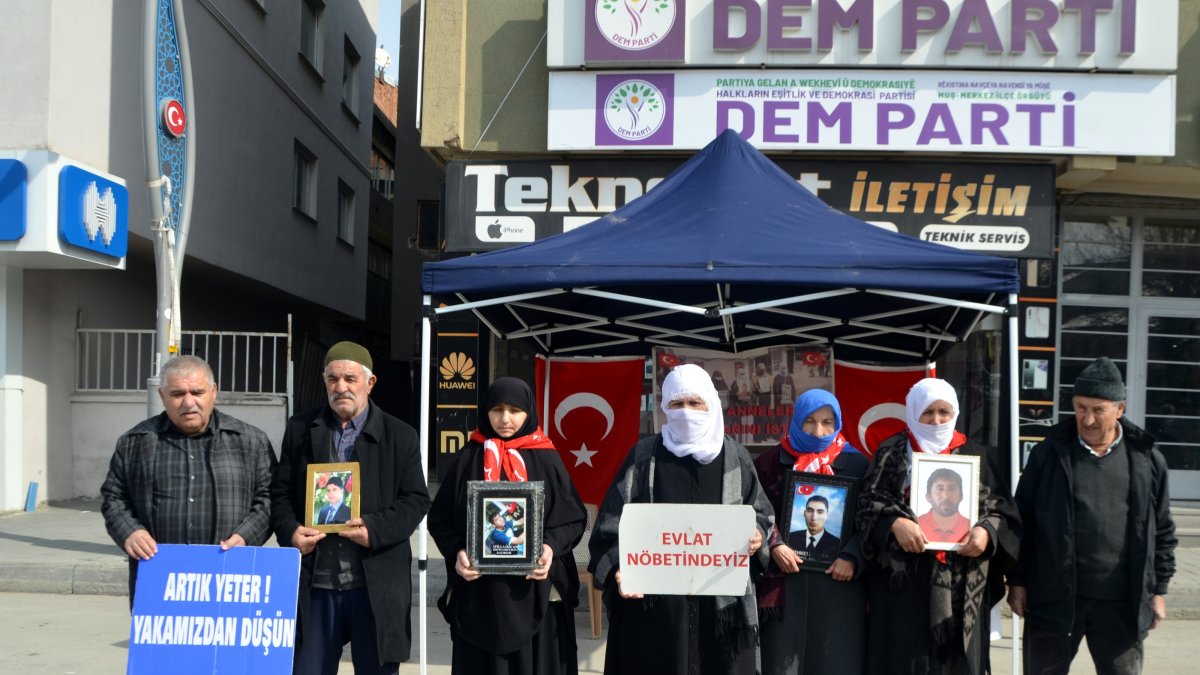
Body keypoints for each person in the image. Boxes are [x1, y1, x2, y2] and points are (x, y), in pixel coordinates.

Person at [589, 364, 773, 675]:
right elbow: (610, 524)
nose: (686, 412)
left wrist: (756, 534)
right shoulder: (643, 456)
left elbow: (762, 514)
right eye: (677, 403)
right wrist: (620, 568)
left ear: (710, 404)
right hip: (655, 610)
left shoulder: (735, 457)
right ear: (664, 407)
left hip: (721, 608)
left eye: (695, 403)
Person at [1007, 357, 1177, 675]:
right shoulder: (1049, 454)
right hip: (1053, 599)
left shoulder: (1146, 460)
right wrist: (1017, 581)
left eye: (1098, 410)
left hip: (1121, 604)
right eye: (1081, 407)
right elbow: (1022, 520)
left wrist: (1159, 589)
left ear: (1120, 409)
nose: (1087, 419)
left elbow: (1163, 529)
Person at [271, 341, 430, 675]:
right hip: (316, 582)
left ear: (370, 383)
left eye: (350, 379)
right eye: (333, 379)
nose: (340, 387)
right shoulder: (300, 429)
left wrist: (375, 529)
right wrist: (291, 532)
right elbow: (281, 493)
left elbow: (416, 500)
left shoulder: (400, 435)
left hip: (374, 582)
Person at [855, 377, 1019, 675]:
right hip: (902, 593)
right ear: (912, 412)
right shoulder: (892, 452)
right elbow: (866, 504)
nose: (936, 420)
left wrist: (986, 533)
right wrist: (894, 523)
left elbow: (1002, 510)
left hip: (962, 588)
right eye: (927, 412)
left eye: (944, 412)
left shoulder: (975, 454)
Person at [428, 377, 587, 675]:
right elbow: (440, 520)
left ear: (528, 411)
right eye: (497, 409)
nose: (505, 419)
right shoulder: (468, 457)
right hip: (481, 597)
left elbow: (572, 518)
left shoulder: (546, 457)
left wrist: (550, 547)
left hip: (534, 590)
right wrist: (458, 551)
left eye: (515, 410)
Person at [101, 355, 276, 603]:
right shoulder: (135, 442)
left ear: (213, 392)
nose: (188, 402)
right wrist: (130, 532)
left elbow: (269, 496)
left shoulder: (250, 441)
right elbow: (114, 497)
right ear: (162, 396)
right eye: (177, 394)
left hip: (230, 576)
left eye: (197, 392)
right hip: (160, 580)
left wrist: (247, 536)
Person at [754, 388, 870, 675]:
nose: (818, 431)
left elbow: (870, 518)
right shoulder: (769, 462)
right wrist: (775, 544)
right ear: (796, 420)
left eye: (827, 422)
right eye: (809, 421)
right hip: (783, 586)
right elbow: (754, 509)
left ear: (838, 423)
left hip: (838, 585)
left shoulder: (857, 464)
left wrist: (853, 557)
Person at [917, 469, 971, 544]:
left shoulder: (971, 527)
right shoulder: (916, 525)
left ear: (961, 496)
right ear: (928, 496)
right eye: (940, 489)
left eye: (952, 489)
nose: (946, 496)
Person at [786, 496, 840, 560]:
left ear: (827, 515)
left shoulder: (837, 544)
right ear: (804, 513)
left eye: (820, 512)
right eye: (809, 511)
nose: (814, 518)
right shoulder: (790, 537)